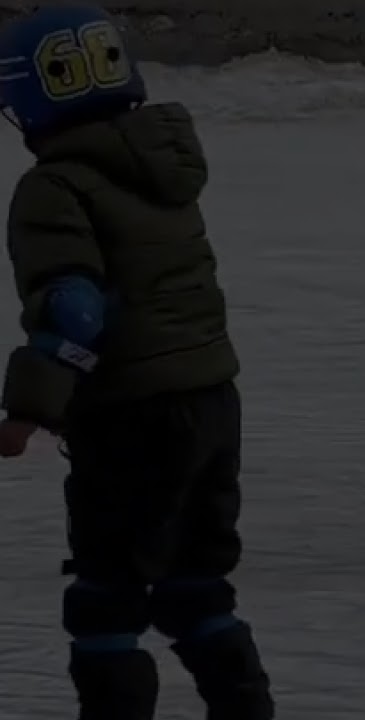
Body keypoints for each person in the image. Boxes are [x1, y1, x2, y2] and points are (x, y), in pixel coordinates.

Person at [0, 6, 274, 718]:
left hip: (133, 419)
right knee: (196, 587)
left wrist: (29, 409)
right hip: (214, 400)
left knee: (107, 605)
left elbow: (77, 310)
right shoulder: (162, 172)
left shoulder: (54, 187)